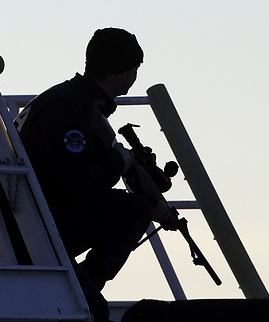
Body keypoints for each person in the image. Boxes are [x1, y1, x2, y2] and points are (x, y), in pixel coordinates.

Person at [14, 28, 167, 322]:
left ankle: (78, 288)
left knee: (136, 208)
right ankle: (76, 291)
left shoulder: (69, 100)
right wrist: (118, 162)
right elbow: (75, 181)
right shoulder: (72, 108)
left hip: (36, 219)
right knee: (93, 311)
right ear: (122, 72)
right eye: (135, 67)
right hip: (35, 231)